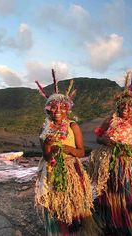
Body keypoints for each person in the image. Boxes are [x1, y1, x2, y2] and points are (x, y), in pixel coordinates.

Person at [35, 70, 97, 236]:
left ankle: (77, 229)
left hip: (72, 170)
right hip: (53, 171)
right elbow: (47, 157)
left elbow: (81, 151)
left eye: (62, 107)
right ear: (48, 110)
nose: (58, 111)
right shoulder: (44, 130)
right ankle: (60, 230)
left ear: (67, 109)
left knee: (75, 202)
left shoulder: (72, 126)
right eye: (54, 108)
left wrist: (69, 150)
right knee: (56, 203)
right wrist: (48, 146)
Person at [89, 71, 132, 236]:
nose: (126, 108)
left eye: (129, 106)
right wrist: (105, 141)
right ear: (119, 106)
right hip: (108, 163)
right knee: (109, 193)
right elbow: (98, 137)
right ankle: (111, 223)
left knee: (127, 194)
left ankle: (128, 224)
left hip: (125, 165)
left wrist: (126, 149)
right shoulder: (110, 120)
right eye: (123, 105)